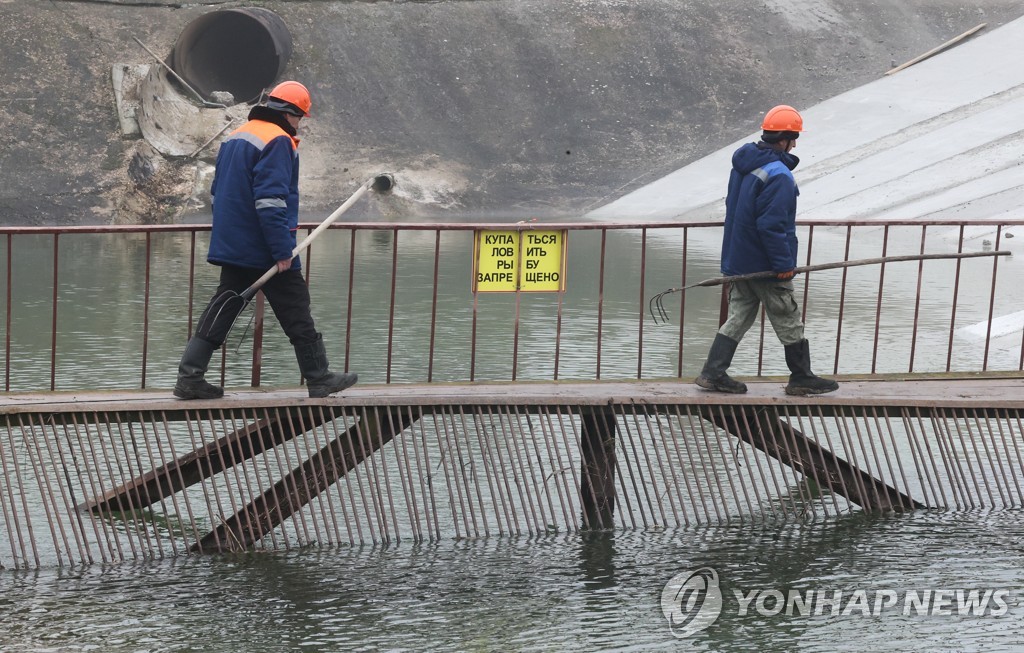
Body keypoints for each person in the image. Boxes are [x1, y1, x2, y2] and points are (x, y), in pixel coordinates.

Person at [174, 80, 357, 400]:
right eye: (300, 118)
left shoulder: (237, 137)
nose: (300, 125)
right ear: (290, 113)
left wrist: (231, 236)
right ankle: (318, 377)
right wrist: (281, 250)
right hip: (265, 247)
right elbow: (270, 201)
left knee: (224, 305)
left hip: (235, 243)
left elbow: (217, 193)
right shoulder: (278, 141)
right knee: (296, 307)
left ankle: (190, 376)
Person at [695, 104, 838, 397]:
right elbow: (773, 226)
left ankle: (713, 373)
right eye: (794, 137)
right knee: (787, 315)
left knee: (738, 314)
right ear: (783, 138)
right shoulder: (779, 175)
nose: (796, 143)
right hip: (765, 264)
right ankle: (801, 377)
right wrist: (783, 263)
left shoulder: (744, 166)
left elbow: (738, 213)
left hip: (738, 259)